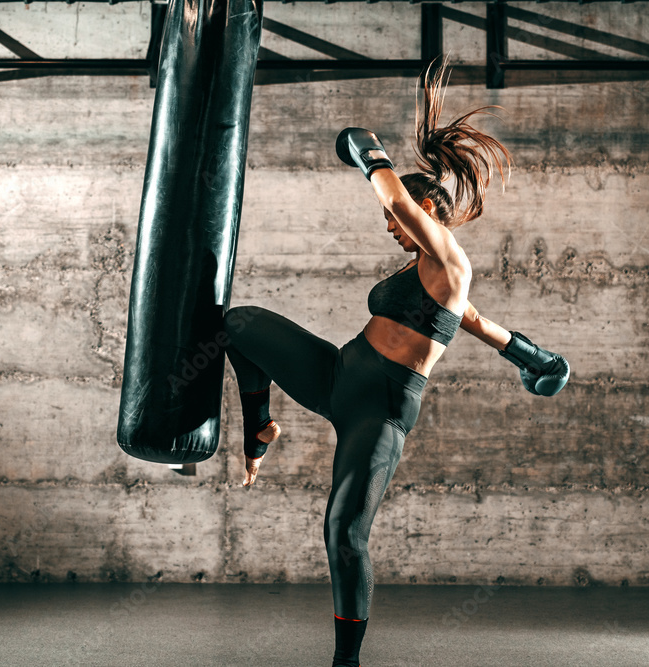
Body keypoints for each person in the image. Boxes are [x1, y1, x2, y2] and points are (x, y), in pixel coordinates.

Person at [222, 62, 569, 667]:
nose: (389, 227)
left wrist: (367, 149)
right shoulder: (429, 277)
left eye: (396, 218)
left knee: (343, 533)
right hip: (338, 375)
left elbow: (391, 194)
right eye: (390, 220)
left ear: (426, 207)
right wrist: (530, 356)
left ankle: (346, 661)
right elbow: (477, 323)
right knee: (239, 324)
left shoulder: (449, 259)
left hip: (378, 411)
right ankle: (259, 428)